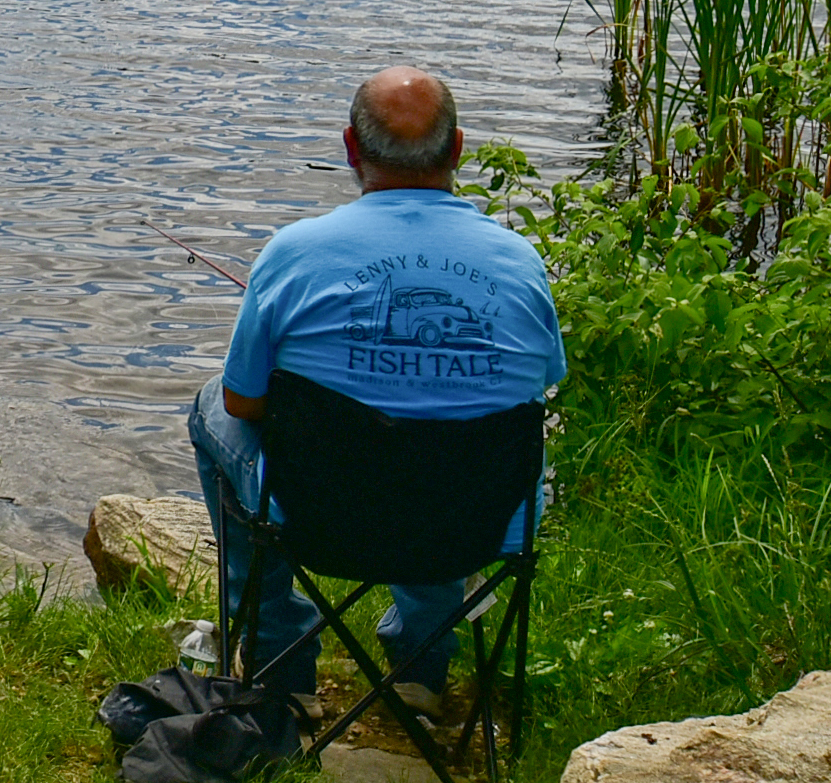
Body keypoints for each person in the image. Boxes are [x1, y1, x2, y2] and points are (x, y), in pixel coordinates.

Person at [188, 66, 565, 703]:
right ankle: (422, 663)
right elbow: (537, 389)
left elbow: (242, 402)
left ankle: (282, 661)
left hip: (322, 518)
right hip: (472, 524)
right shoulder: (519, 260)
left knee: (210, 410)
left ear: (350, 148)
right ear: (458, 149)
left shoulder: (294, 251)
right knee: (454, 442)